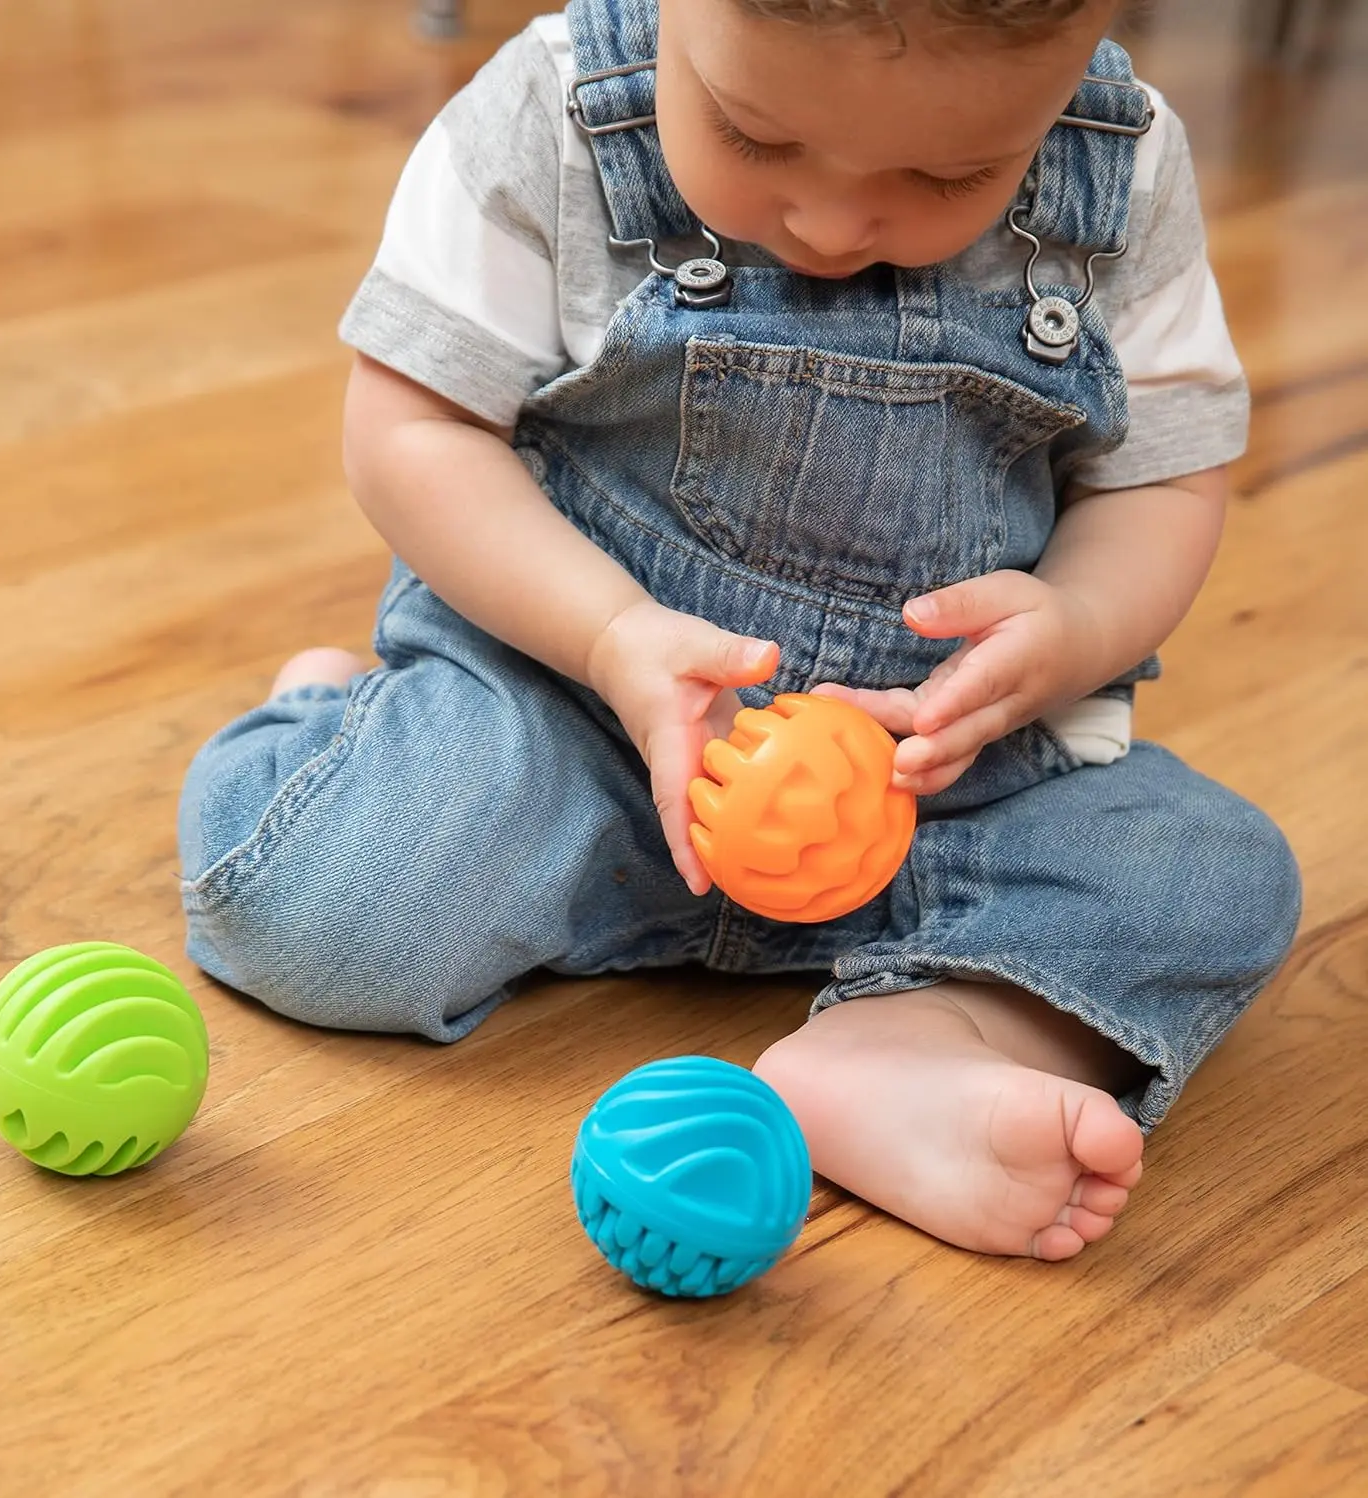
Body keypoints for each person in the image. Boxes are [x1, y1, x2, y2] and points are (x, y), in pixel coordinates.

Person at [178, 0, 1301, 1260]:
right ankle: (336, 728)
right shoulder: (552, 113)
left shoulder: (1123, 165)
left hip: (946, 789)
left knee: (1217, 878)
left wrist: (1085, 619)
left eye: (948, 174)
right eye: (753, 137)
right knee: (339, 910)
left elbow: (1162, 479)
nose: (829, 223)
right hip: (583, 733)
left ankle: (909, 1041)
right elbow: (410, 432)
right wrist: (611, 635)